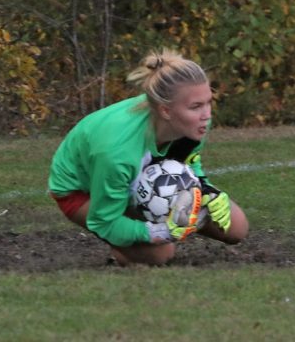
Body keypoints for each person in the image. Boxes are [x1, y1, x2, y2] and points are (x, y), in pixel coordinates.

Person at [48, 48, 249, 265]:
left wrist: (207, 190)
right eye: (196, 106)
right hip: (82, 190)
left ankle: (140, 224)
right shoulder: (116, 151)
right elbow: (104, 221)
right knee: (161, 255)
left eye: (209, 102)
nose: (207, 115)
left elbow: (190, 164)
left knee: (236, 227)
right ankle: (125, 251)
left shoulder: (194, 125)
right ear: (165, 111)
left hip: (134, 172)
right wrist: (161, 232)